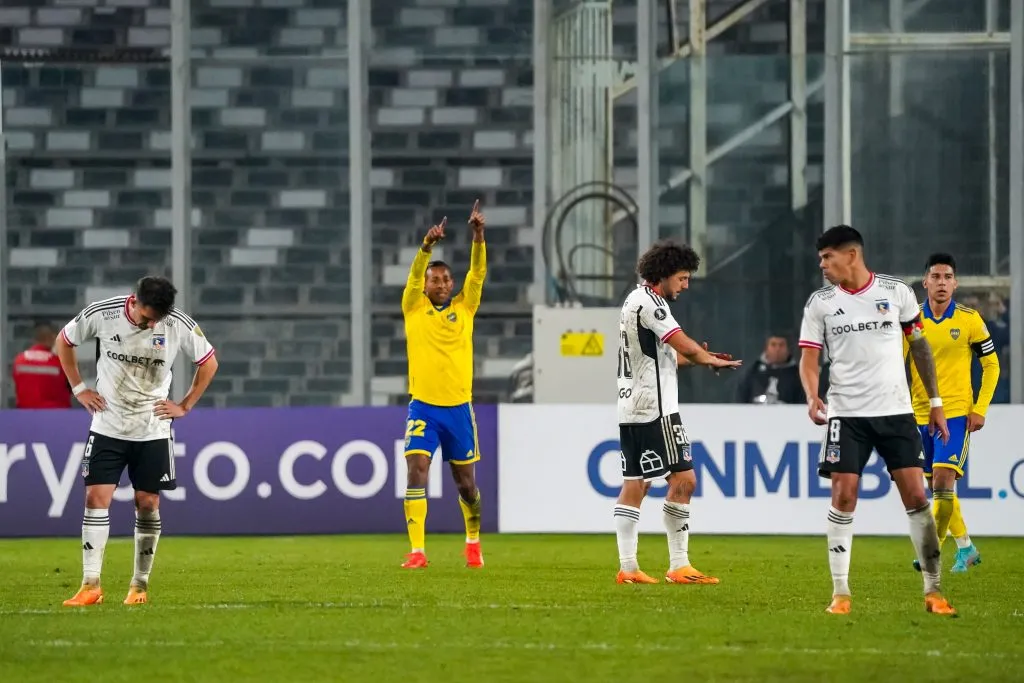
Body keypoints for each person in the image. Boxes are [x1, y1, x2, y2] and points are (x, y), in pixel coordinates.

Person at [798, 225, 956, 616]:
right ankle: (840, 594)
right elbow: (809, 357)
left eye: (827, 257)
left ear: (851, 254)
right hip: (847, 415)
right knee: (843, 496)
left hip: (896, 412)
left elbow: (920, 347)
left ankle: (934, 591)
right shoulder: (820, 303)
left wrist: (935, 402)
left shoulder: (896, 292)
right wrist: (812, 394)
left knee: (917, 497)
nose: (822, 265)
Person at [57, 276, 219, 607]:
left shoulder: (176, 324)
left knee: (147, 502)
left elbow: (209, 362)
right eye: (146, 317)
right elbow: (64, 341)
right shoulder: (104, 314)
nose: (151, 324)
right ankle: (90, 585)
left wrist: (185, 405)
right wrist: (79, 388)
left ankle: (139, 586)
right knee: (95, 497)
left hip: (152, 428)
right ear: (134, 301)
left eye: (156, 319)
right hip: (108, 425)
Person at [613, 239, 742, 585]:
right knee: (684, 480)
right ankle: (679, 565)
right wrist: (707, 357)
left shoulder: (633, 299)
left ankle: (628, 568)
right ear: (666, 274)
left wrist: (701, 359)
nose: (685, 285)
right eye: (683, 278)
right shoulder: (652, 304)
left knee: (637, 483)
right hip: (657, 408)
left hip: (632, 405)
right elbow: (681, 342)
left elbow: (666, 356)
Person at [400, 201, 487, 569]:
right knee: (416, 468)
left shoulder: (465, 308)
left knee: (465, 484)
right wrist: (426, 247)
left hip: (458, 409)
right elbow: (415, 275)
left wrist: (478, 236)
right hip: (423, 406)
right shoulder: (413, 307)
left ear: (452, 284)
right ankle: (418, 552)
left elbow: (478, 273)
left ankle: (472, 541)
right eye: (434, 279)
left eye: (445, 280)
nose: (440, 283)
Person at [907, 253, 999, 574]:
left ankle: (931, 551)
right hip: (920, 415)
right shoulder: (911, 321)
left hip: (957, 413)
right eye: (936, 277)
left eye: (947, 277)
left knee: (944, 483)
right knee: (938, 491)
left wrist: (980, 408)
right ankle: (967, 548)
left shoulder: (970, 320)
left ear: (955, 283)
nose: (942, 283)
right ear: (925, 282)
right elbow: (897, 367)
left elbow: (991, 365)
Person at [12, 322, 72, 409]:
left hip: (24, 414)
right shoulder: (59, 361)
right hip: (56, 415)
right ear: (50, 337)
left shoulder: (19, 360)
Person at [736, 334, 805, 404]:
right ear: (766, 349)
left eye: (781, 345)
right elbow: (740, 400)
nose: (777, 349)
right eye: (773, 345)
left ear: (788, 350)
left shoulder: (798, 376)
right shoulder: (752, 372)